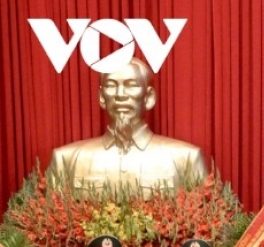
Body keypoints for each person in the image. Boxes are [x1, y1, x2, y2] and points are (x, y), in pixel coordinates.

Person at [46, 58, 207, 198]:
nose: (120, 94)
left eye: (131, 85)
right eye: (111, 85)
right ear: (102, 97)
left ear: (149, 97)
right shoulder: (66, 160)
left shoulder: (187, 159)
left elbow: (204, 218)